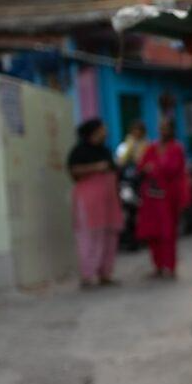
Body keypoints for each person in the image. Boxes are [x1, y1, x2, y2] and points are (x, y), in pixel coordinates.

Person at [66, 118, 124, 288]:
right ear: (94, 132)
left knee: (109, 236)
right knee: (89, 236)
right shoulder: (79, 151)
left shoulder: (105, 150)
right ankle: (87, 275)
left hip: (108, 201)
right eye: (102, 129)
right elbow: (73, 172)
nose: (106, 132)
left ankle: (105, 274)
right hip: (88, 201)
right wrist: (96, 168)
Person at [135, 115, 189, 278]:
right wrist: (147, 169)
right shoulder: (152, 147)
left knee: (168, 232)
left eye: (166, 127)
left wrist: (154, 168)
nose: (162, 130)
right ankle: (157, 265)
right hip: (151, 197)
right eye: (161, 127)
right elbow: (141, 166)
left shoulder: (176, 148)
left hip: (168, 197)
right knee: (153, 232)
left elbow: (173, 169)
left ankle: (169, 265)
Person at [115, 120, 148, 250]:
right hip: (128, 183)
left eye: (139, 131)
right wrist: (130, 147)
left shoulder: (147, 146)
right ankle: (131, 240)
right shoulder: (124, 146)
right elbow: (120, 161)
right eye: (134, 131)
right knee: (130, 212)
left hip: (142, 182)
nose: (137, 133)